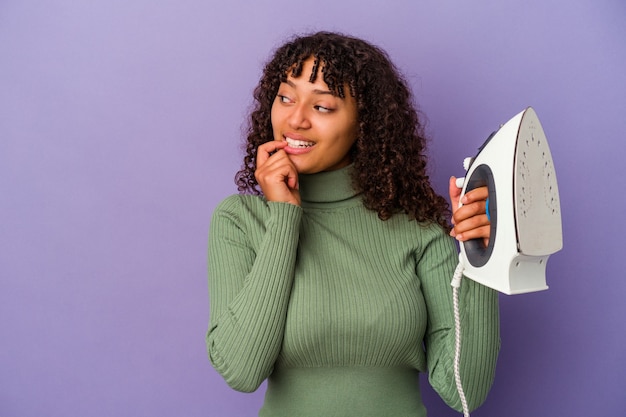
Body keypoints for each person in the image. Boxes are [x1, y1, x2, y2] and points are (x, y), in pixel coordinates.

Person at [206, 31, 499, 417]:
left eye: (323, 106)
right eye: (286, 98)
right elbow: (241, 370)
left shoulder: (417, 226)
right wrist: (285, 218)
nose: (295, 119)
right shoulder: (239, 221)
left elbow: (463, 392)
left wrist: (476, 259)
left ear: (366, 123)